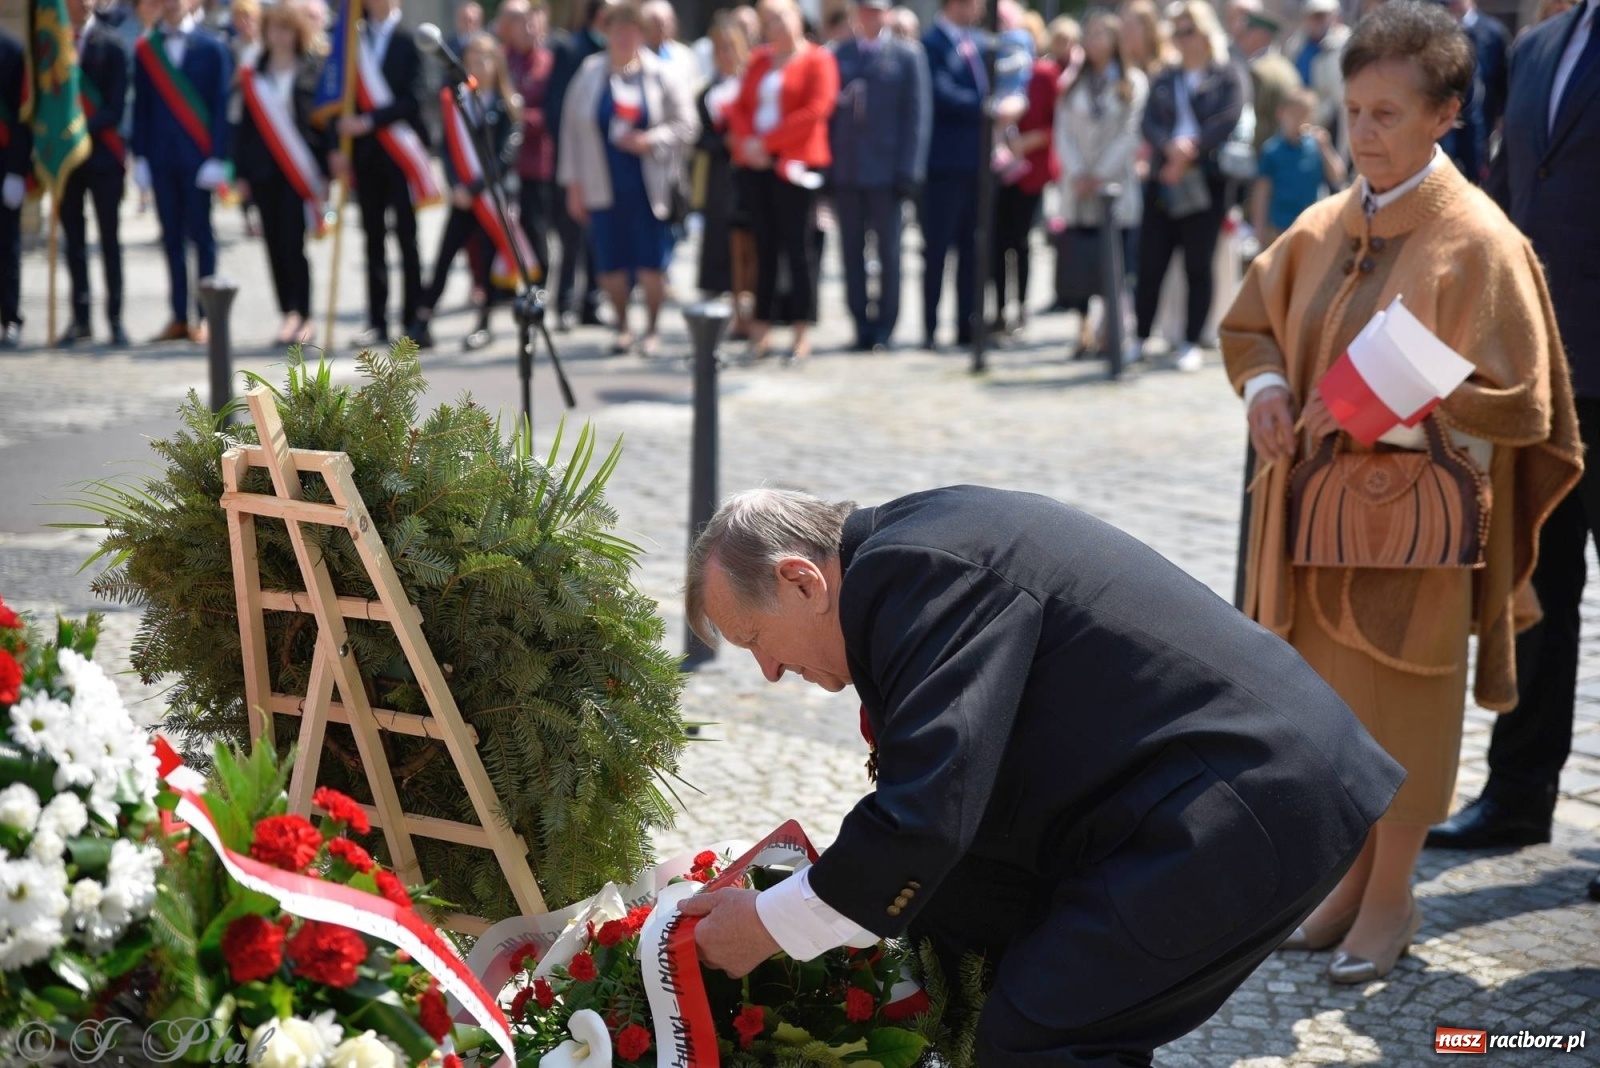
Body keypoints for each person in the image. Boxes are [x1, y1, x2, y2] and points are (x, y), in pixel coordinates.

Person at [676, 484, 1405, 1064]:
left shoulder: (916, 571)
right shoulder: (913, 550)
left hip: (1244, 800)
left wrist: (771, 925)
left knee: (1042, 1033)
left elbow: (930, 809)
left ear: (801, 581)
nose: (768, 672)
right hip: (1204, 791)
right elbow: (972, 799)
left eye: (755, 640)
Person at [1222, 1, 1583, 982]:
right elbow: (1249, 321)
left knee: (1401, 710)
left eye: (1388, 113)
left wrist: (1402, 404)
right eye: (1352, 111)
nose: (1364, 134)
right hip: (1309, 525)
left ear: (1446, 115)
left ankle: (1390, 898)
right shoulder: (1322, 223)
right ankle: (1342, 881)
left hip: (1413, 534)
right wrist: (1264, 388)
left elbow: (1526, 407)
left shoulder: (1480, 240)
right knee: (1326, 712)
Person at [1430, 0, 1600, 903]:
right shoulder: (1535, 46)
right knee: (1537, 585)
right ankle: (1519, 793)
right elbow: (1504, 196)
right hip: (1543, 374)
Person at [558, 0, 698, 357]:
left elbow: (687, 125)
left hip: (649, 187)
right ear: (606, 33)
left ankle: (651, 328)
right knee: (611, 263)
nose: (623, 37)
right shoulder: (590, 72)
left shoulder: (661, 74)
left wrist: (649, 140)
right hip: (602, 184)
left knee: (652, 263)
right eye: (616, 30)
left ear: (640, 34)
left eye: (630, 30)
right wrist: (573, 186)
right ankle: (622, 326)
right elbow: (571, 130)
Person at [1133, 0, 1246, 373]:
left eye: (1188, 30)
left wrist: (1190, 151)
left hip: (1206, 181)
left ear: (1203, 32)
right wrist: (1170, 149)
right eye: (1177, 32)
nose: (1183, 39)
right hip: (1164, 179)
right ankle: (1141, 335)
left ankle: (1190, 339)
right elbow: (1148, 121)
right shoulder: (1165, 77)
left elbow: (1227, 119)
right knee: (1152, 261)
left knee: (1198, 263)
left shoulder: (1225, 74)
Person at [727, 0, 838, 362]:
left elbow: (816, 110)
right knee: (765, 247)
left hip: (794, 164)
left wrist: (768, 143)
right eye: (769, 20)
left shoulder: (818, 59)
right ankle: (762, 328)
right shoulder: (760, 60)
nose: (777, 25)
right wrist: (749, 143)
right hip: (756, 166)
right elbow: (740, 107)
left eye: (782, 17)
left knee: (799, 249)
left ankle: (800, 330)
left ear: (797, 18)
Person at [413, 34, 530, 352]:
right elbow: (448, 149)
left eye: (486, 58)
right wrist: (457, 186)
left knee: (488, 260)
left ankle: (484, 322)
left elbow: (505, 157)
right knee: (445, 256)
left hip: (491, 196)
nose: (480, 65)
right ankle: (422, 320)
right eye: (473, 59)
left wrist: (476, 187)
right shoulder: (458, 100)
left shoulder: (508, 105)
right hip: (464, 196)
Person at [329, 0, 434, 347]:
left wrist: (369, 121)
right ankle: (377, 321)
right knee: (373, 239)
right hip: (367, 157)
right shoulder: (350, 42)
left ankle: (413, 321)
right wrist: (338, 140)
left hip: (400, 154)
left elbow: (413, 99)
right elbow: (337, 96)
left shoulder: (408, 41)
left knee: (408, 239)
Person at [828, 0, 930, 353]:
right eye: (865, 8)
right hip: (848, 171)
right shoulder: (839, 54)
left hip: (887, 173)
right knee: (850, 253)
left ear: (887, 13)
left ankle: (886, 325)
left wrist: (909, 170)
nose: (870, 15)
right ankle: (860, 322)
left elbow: (917, 117)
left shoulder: (906, 55)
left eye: (877, 9)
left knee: (889, 253)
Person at [132, 0, 233, 344]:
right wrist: (140, 156)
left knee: (202, 239)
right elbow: (141, 107)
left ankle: (206, 317)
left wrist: (218, 157)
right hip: (161, 160)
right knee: (171, 238)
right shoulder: (147, 49)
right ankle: (178, 315)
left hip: (198, 161)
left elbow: (222, 106)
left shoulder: (213, 46)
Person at [1054, 9, 1147, 356]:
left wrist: (1100, 173)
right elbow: (1061, 131)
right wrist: (1078, 172)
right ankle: (1082, 330)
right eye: (1088, 34)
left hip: (1113, 184)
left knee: (1115, 259)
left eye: (1100, 34)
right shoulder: (1072, 82)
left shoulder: (1132, 82)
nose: (1093, 41)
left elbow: (1129, 133)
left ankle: (1112, 330)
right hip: (1078, 187)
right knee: (1078, 258)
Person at [232, 0, 325, 347]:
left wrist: (327, 166)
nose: (280, 36)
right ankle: (287, 312)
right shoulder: (254, 72)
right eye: (274, 29)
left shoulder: (311, 67)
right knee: (271, 243)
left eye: (286, 28)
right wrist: (240, 172)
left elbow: (320, 123)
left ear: (297, 32)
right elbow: (244, 126)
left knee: (293, 242)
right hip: (262, 170)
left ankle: (305, 314)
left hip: (298, 170)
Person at [920, 0, 991, 351]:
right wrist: (986, 107)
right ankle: (930, 326)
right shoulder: (931, 45)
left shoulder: (979, 42)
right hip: (944, 165)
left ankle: (968, 324)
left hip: (977, 164)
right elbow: (941, 93)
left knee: (972, 249)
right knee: (937, 250)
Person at [58, 0, 129, 348]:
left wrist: (77, 129)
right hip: (68, 161)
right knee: (73, 241)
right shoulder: (54, 45)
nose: (81, 5)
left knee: (109, 240)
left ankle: (115, 318)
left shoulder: (112, 43)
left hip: (103, 156)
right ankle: (80, 317)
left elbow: (114, 108)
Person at [545, 0, 616, 331]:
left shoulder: (617, 52)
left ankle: (591, 301)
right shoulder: (572, 49)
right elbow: (555, 106)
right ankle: (565, 303)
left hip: (609, 158)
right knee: (571, 234)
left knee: (599, 235)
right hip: (576, 158)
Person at [988, 13, 1059, 338]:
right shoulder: (994, 70)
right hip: (996, 172)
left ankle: (1022, 306)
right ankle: (1000, 309)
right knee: (997, 243)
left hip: (1029, 172)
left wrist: (1028, 142)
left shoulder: (1043, 75)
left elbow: (1058, 123)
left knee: (1021, 242)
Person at [696, 14, 756, 339]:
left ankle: (755, 311)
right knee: (726, 245)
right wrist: (723, 142)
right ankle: (732, 311)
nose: (726, 54)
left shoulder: (754, 83)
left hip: (751, 174)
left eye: (731, 47)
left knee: (753, 246)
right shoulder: (707, 92)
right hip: (722, 176)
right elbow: (700, 137)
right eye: (720, 48)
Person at [1248, 87, 1345, 245]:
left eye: (1304, 115)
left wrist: (1326, 148)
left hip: (1311, 227)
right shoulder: (1272, 150)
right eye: (1294, 114)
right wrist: (1258, 229)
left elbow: (1337, 176)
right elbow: (1261, 192)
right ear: (1281, 114)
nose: (1299, 121)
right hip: (1279, 228)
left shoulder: (1316, 147)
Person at [511, 1, 555, 288]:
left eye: (533, 23)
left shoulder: (548, 62)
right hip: (503, 162)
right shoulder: (502, 58)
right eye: (522, 23)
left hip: (536, 160)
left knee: (536, 226)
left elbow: (552, 110)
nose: (528, 30)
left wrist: (520, 117)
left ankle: (539, 285)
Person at [1234, 8, 1303, 156]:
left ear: (1260, 37)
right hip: (1290, 152)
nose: (1241, 40)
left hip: (1268, 156)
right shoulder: (1286, 65)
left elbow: (1258, 122)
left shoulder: (1258, 70)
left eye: (1246, 34)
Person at [1284, 0, 1350, 151]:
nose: (1318, 20)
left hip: (1331, 117)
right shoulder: (1296, 44)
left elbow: (1340, 97)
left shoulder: (1344, 45)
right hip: (1301, 115)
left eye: (1322, 15)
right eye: (1314, 16)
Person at [0, 30, 26, 350]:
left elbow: (23, 115)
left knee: (7, 246)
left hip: (4, 163)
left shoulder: (11, 51)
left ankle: (9, 317)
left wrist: (18, 171)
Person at [642, 0, 704, 93]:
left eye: (668, 21)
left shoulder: (685, 55)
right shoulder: (640, 54)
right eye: (657, 22)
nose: (663, 26)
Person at [1119, 0, 1175, 77]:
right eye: (1123, 28)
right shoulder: (1122, 69)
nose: (1124, 34)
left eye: (1130, 28)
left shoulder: (1168, 66)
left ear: (1148, 30)